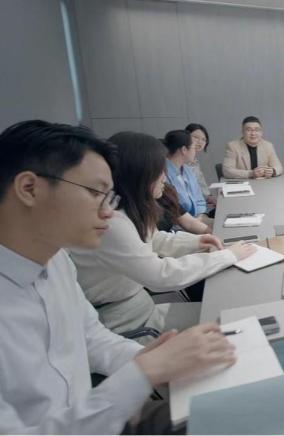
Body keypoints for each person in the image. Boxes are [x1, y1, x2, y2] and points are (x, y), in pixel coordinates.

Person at [0, 120, 236, 434]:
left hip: (100, 415)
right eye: (95, 192)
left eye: (109, 197)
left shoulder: (56, 261)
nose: (109, 212)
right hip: (94, 418)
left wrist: (154, 359)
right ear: (29, 189)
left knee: (238, 407)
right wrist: (143, 372)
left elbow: (92, 338)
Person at [70, 132, 256, 336]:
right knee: (233, 319)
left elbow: (155, 239)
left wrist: (196, 242)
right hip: (129, 324)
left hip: (139, 308)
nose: (165, 178)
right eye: (160, 171)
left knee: (231, 313)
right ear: (140, 174)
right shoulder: (112, 222)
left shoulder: (129, 209)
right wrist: (227, 256)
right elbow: (160, 275)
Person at [163, 129, 208, 219]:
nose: (195, 151)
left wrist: (201, 217)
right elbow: (174, 212)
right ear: (184, 150)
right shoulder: (163, 174)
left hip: (197, 219)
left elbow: (200, 201)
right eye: (194, 148)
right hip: (179, 223)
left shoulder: (187, 170)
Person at [185, 123, 215, 206]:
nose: (200, 142)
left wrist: (209, 196)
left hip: (203, 202)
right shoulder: (183, 161)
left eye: (203, 139)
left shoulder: (195, 160)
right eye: (196, 137)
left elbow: (201, 183)